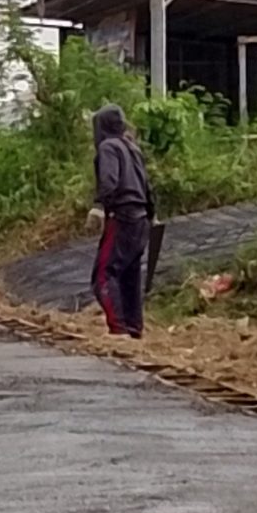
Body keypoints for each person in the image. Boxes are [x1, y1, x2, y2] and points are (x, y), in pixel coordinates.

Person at [89, 103, 152, 339]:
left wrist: (99, 205)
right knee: (129, 275)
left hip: (122, 216)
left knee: (103, 275)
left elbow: (109, 181)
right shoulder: (133, 148)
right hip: (141, 218)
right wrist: (152, 214)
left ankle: (118, 328)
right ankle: (134, 327)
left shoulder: (108, 147)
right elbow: (147, 185)